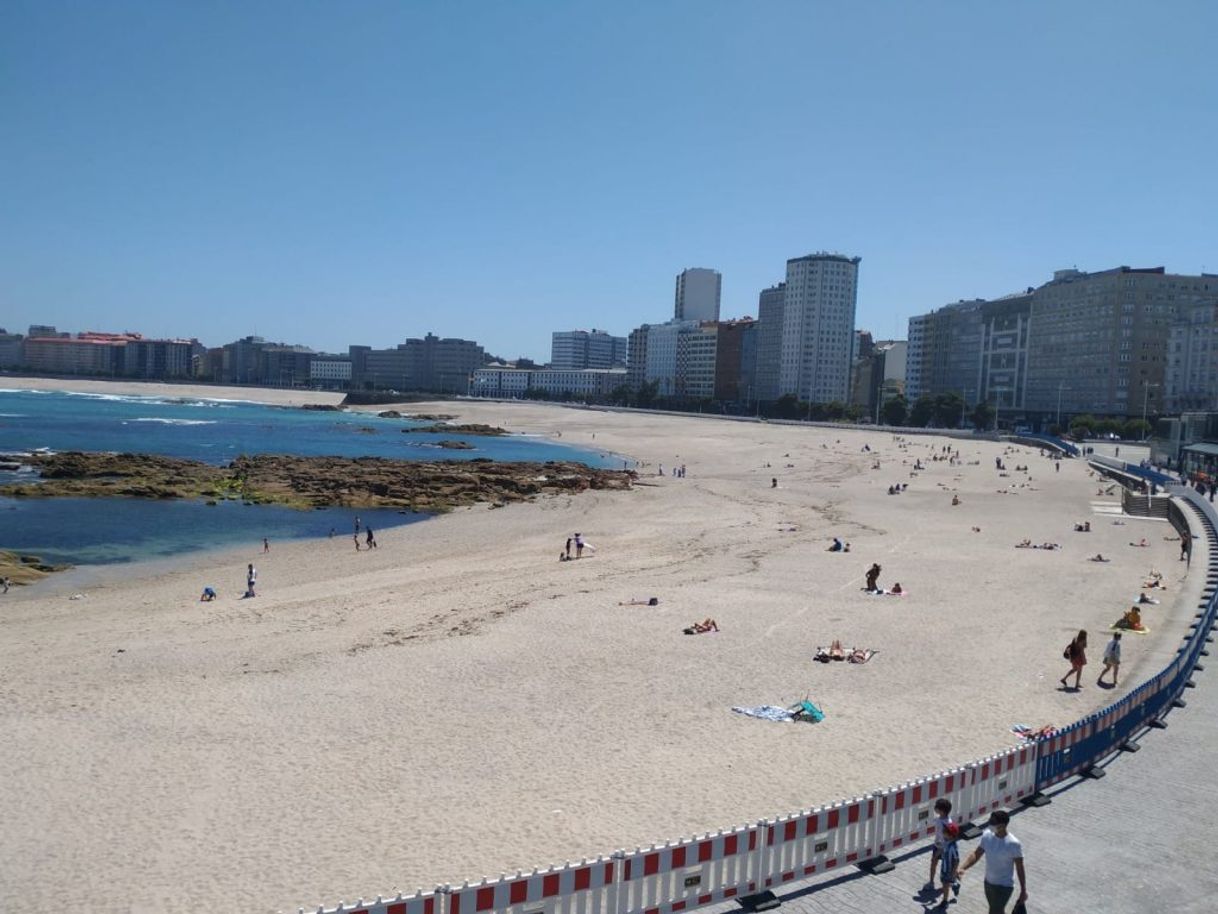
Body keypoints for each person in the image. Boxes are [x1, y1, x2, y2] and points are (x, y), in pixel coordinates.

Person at [957, 809, 1026, 914]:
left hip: (1004, 886)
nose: (990, 824)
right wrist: (962, 867)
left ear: (1002, 825)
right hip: (988, 883)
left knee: (995, 911)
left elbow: (1020, 867)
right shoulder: (987, 835)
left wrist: (1023, 890)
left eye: (993, 822)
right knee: (996, 910)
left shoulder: (1013, 844)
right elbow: (976, 854)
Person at [927, 798, 954, 889]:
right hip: (937, 845)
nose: (934, 808)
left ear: (941, 811)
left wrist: (940, 850)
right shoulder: (940, 819)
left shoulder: (947, 824)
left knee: (945, 866)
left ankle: (948, 882)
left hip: (943, 848)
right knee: (933, 863)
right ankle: (931, 882)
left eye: (936, 807)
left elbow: (947, 840)